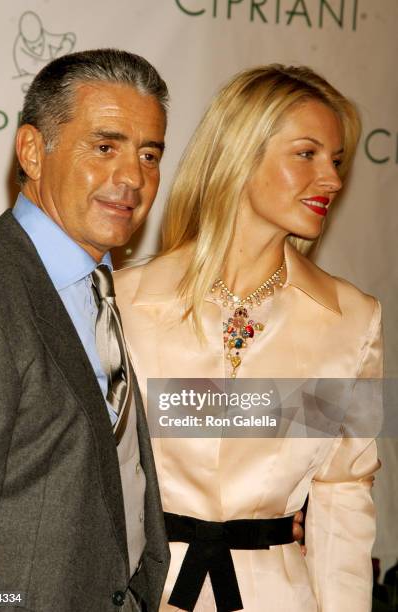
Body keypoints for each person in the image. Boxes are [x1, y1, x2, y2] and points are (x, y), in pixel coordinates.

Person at [114, 64, 383, 611]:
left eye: (335, 161)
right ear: (240, 153)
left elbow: (343, 501)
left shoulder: (352, 319)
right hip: (142, 592)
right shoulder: (124, 302)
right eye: (306, 154)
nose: (331, 179)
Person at [0, 49, 170, 612]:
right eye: (105, 147)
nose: (132, 178)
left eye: (149, 155)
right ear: (32, 151)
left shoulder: (107, 288)